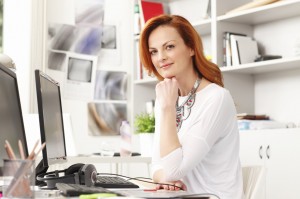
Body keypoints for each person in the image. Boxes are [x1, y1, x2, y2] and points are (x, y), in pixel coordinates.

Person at [139, 15, 243, 199]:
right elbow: (156, 165)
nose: (160, 57)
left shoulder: (216, 98)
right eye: (153, 51)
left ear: (191, 48)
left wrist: (167, 108)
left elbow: (174, 169)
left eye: (169, 47)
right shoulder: (167, 98)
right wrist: (166, 180)